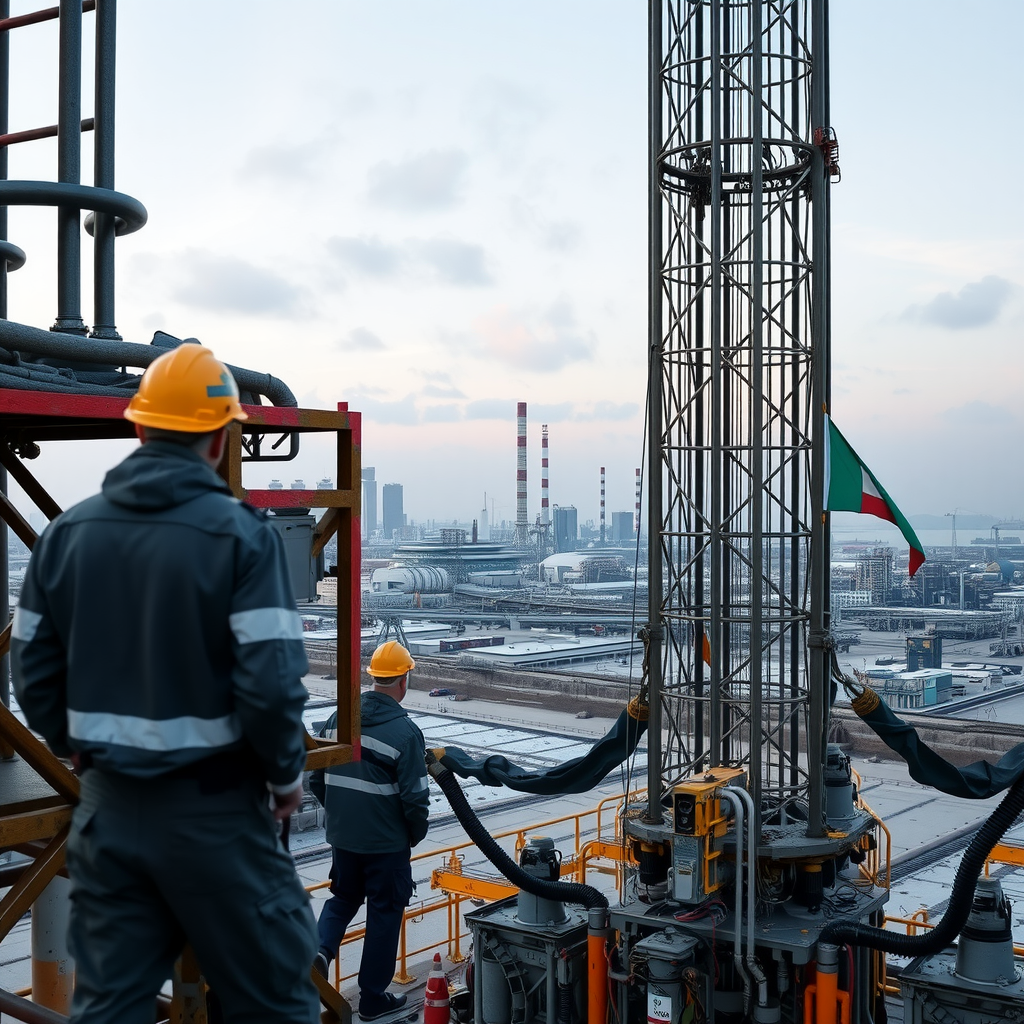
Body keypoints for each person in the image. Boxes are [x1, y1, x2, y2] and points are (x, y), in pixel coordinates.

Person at [11, 343, 320, 1024]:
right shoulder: (243, 538)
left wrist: (76, 747)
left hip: (110, 812)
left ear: (140, 428)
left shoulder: (67, 535)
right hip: (219, 815)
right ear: (218, 440)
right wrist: (285, 778)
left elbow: (31, 671)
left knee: (110, 1008)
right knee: (275, 1003)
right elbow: (270, 684)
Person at [310, 640, 429, 1022]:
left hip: (344, 840)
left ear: (374, 677)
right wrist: (413, 833)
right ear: (403, 680)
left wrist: (343, 815)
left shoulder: (338, 718)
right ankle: (373, 999)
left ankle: (318, 953)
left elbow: (316, 776)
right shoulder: (405, 733)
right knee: (384, 911)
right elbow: (415, 800)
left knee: (342, 897)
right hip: (386, 845)